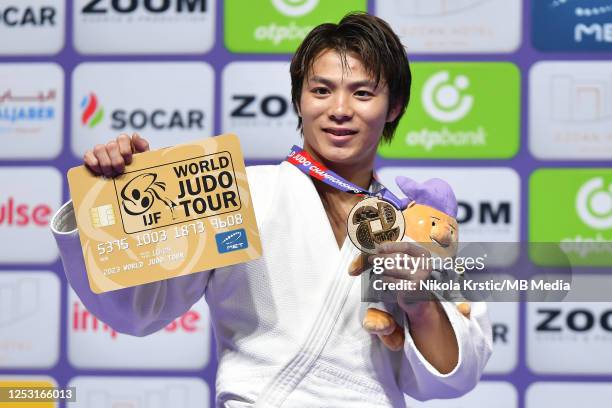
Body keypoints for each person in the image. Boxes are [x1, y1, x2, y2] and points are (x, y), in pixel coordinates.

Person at [51, 12, 492, 407]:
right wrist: (103, 202)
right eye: (322, 90)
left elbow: (454, 377)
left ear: (393, 106)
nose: (339, 109)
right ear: (299, 99)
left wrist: (418, 304)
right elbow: (137, 309)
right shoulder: (237, 194)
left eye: (362, 93)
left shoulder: (413, 224)